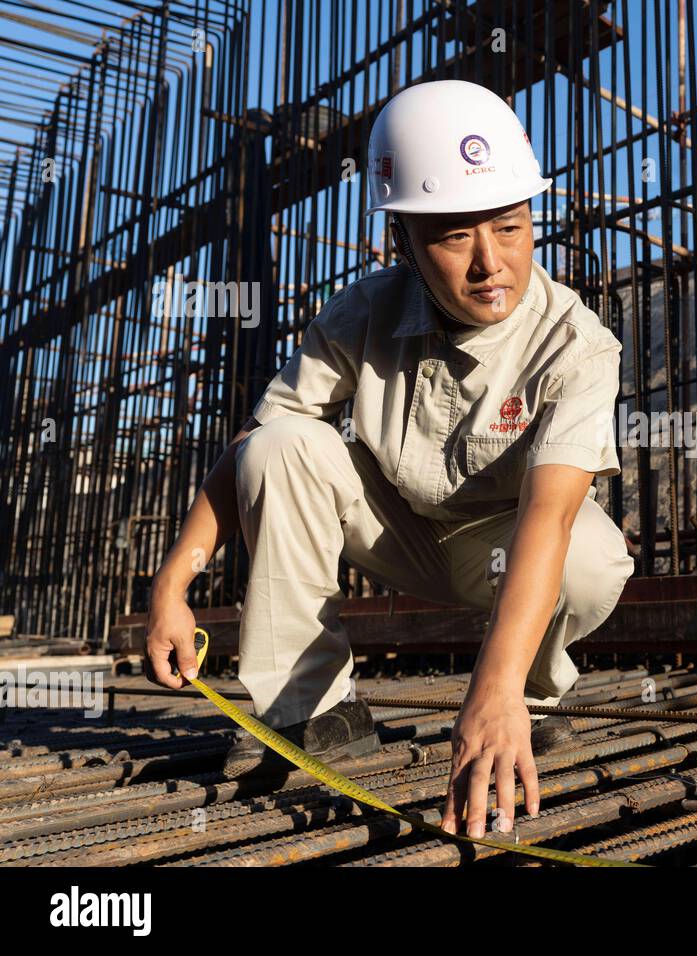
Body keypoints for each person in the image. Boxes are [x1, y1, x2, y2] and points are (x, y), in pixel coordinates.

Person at [145, 79, 635, 840]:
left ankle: (524, 701)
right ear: (401, 240)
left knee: (592, 557)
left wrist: (492, 687)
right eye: (453, 238)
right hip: (394, 532)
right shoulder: (364, 312)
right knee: (280, 444)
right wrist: (172, 583)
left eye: (509, 228)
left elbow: (549, 515)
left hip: (506, 548)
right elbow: (253, 445)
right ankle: (313, 710)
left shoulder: (576, 346)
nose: (490, 263)